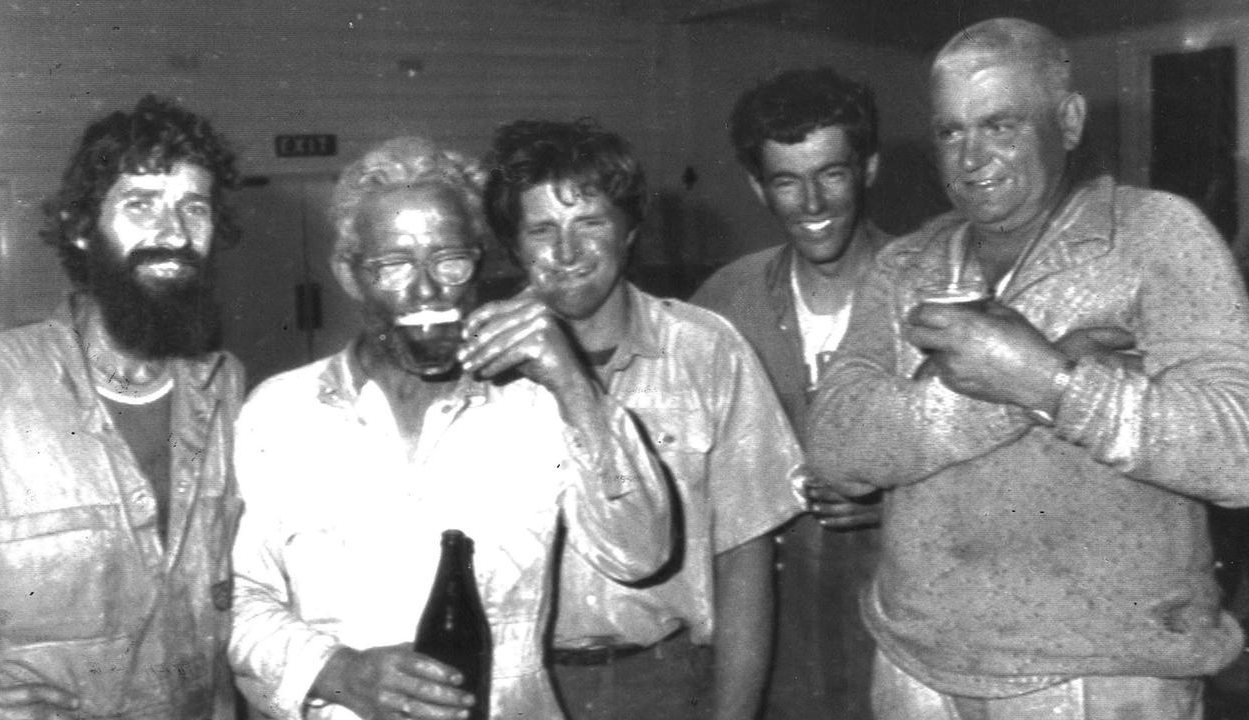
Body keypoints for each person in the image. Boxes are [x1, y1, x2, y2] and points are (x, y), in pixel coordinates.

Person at [808, 17, 1249, 720]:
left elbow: (1237, 451)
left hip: (1104, 678)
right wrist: (1010, 391)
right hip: (915, 670)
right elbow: (834, 442)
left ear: (1068, 121)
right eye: (950, 132)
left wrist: (1053, 384)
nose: (971, 158)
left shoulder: (1157, 235)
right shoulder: (906, 264)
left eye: (1001, 125)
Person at [227, 136, 672, 720]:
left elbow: (639, 555)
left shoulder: (535, 409)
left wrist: (576, 388)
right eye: (394, 265)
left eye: (449, 260)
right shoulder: (280, 414)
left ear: (479, 266)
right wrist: (339, 671)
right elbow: (236, 598)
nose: (427, 289)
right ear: (349, 274)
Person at [485, 119, 804, 720]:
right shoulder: (478, 364)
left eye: (591, 223)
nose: (568, 252)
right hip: (519, 685)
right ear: (514, 245)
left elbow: (745, 561)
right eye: (542, 229)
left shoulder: (707, 350)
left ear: (630, 230)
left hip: (665, 681)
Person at [0, 94, 244, 719]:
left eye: (193, 208)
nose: (172, 233)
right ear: (79, 227)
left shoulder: (224, 389)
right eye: (140, 205)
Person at [690, 66, 888, 720]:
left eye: (831, 173)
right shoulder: (724, 305)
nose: (811, 204)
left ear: (869, 169)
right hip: (778, 650)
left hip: (907, 640)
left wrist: (903, 493)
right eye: (785, 180)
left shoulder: (932, 290)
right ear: (757, 187)